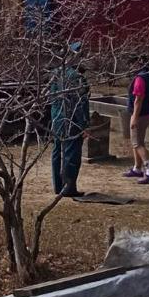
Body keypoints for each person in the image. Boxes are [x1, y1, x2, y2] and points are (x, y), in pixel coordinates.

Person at [50, 44, 90, 198]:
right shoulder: (77, 78)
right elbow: (80, 104)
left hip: (57, 117)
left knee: (57, 151)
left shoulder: (56, 73)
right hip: (72, 120)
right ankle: (68, 187)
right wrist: (84, 125)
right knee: (71, 154)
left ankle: (58, 185)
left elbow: (51, 98)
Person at [123, 55, 149, 184]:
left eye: (133, 63)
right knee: (137, 140)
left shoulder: (140, 78)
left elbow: (138, 99)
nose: (131, 66)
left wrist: (134, 117)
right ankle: (137, 168)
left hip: (140, 114)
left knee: (137, 143)